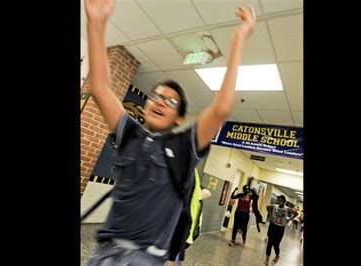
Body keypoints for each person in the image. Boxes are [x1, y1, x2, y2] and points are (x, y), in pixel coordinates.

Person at [84, 0, 256, 264]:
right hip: (103, 253)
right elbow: (99, 87)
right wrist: (96, 22)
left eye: (171, 101)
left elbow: (221, 108)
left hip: (144, 258)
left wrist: (238, 41)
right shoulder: (130, 133)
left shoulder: (185, 145)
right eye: (156, 96)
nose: (161, 101)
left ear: (178, 118)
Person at [263, 195, 300, 265]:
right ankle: (266, 260)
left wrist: (289, 219)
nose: (280, 202)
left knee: (276, 245)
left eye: (281, 201)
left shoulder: (287, 209)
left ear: (284, 202)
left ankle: (277, 256)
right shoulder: (275, 206)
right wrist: (270, 214)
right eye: (279, 200)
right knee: (270, 243)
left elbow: (296, 213)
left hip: (280, 228)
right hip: (272, 226)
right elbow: (267, 207)